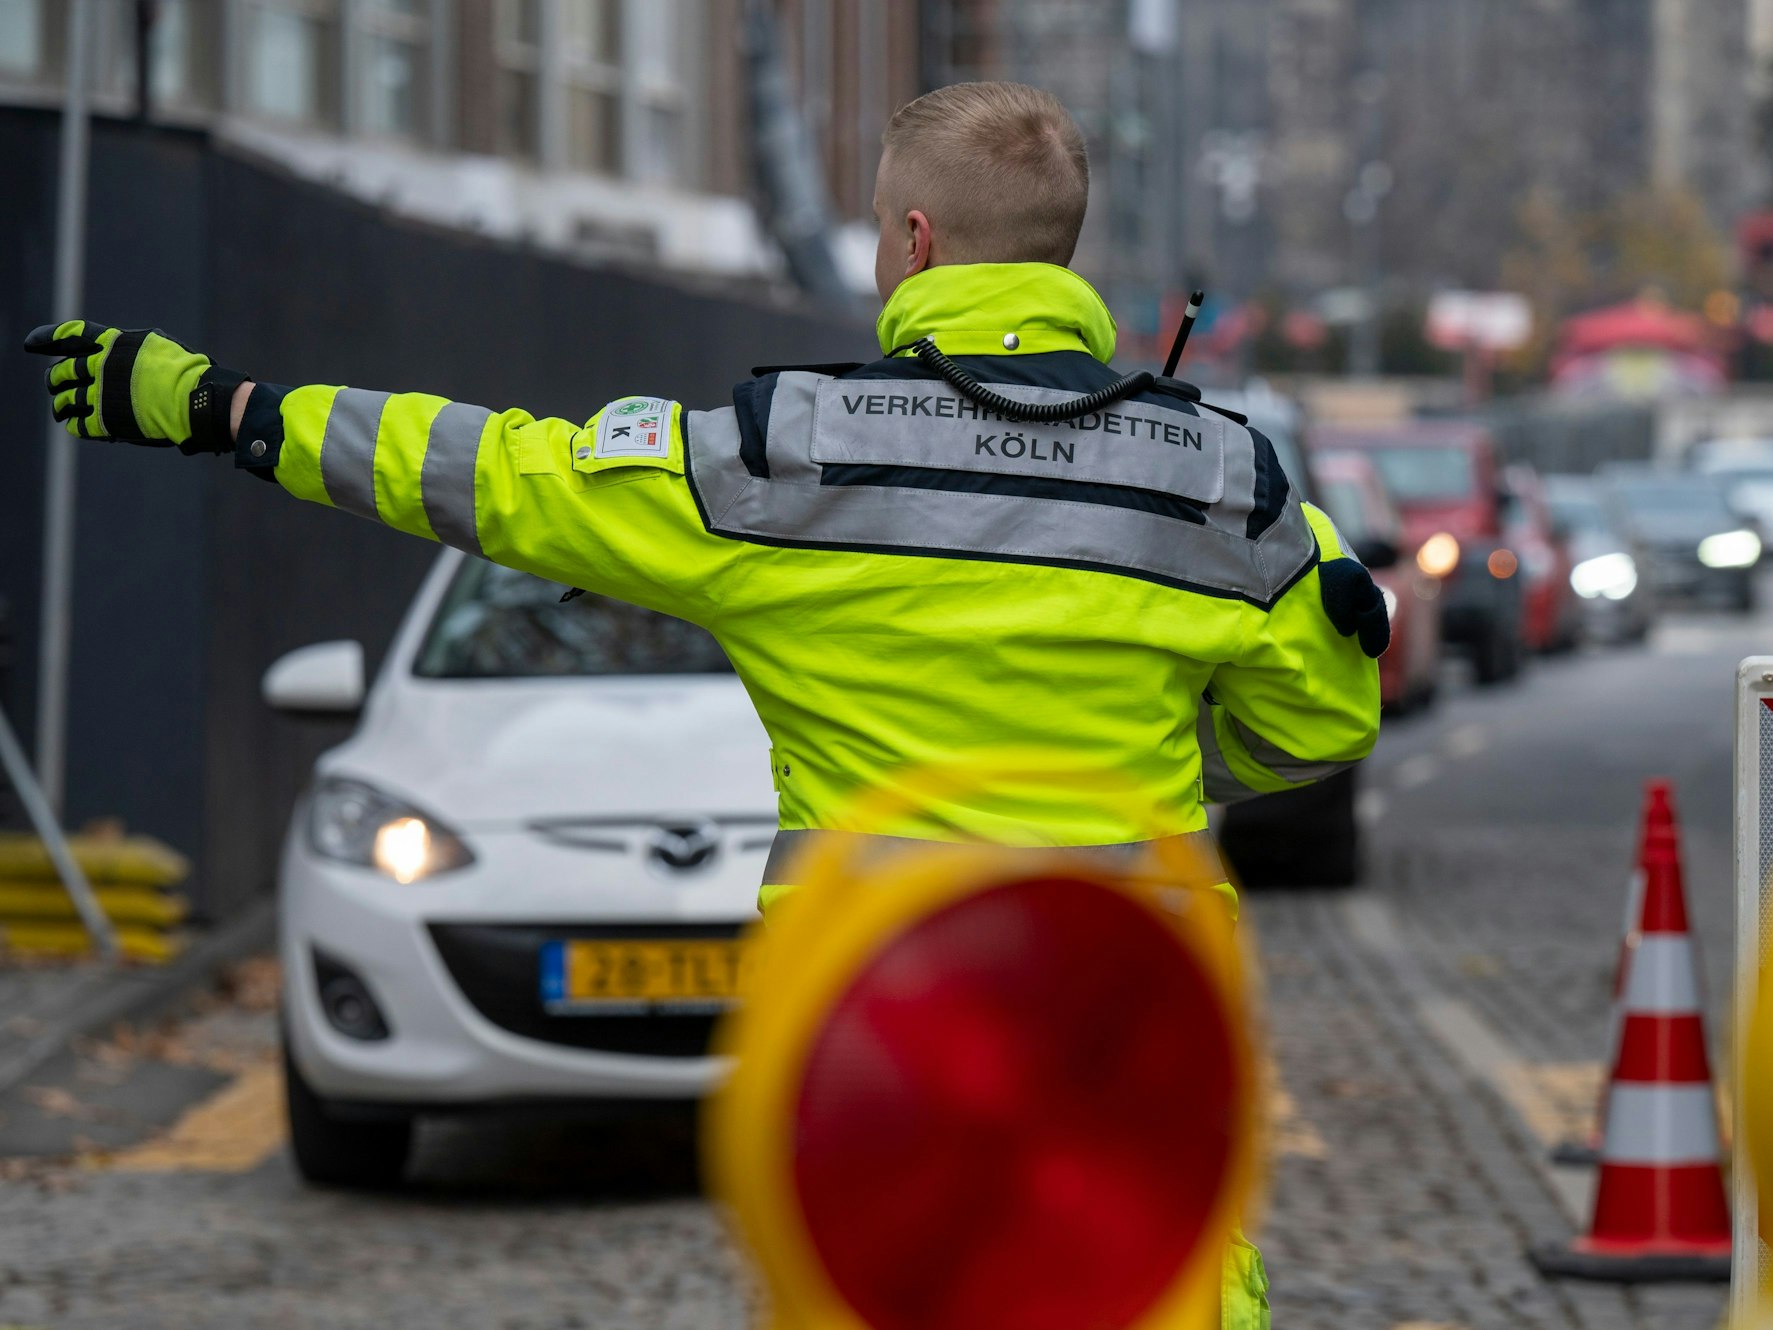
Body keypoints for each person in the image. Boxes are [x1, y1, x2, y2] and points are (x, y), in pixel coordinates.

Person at [27, 81, 1381, 1328]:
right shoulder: (1223, 485)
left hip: (879, 1036)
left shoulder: (781, 459)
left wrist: (224, 407)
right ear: (1057, 254)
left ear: (913, 240)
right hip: (1124, 1023)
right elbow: (1323, 714)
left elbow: (497, 473)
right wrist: (1165, 773)